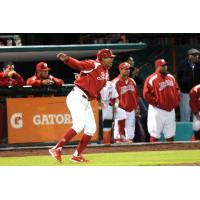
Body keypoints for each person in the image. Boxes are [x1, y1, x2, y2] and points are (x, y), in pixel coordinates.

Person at [49, 48, 116, 162]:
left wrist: (98, 99)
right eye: (110, 57)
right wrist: (67, 59)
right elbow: (78, 64)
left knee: (91, 128)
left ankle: (76, 155)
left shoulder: (106, 72)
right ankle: (56, 148)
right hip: (77, 96)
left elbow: (97, 87)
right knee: (78, 125)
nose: (112, 59)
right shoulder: (93, 64)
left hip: (86, 100)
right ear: (103, 58)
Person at [143, 58, 180, 142]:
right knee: (154, 134)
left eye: (165, 65)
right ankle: (152, 153)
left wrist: (176, 102)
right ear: (157, 67)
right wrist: (157, 103)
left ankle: (171, 154)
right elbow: (146, 94)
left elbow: (177, 90)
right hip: (157, 110)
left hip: (170, 110)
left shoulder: (171, 77)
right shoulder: (151, 78)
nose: (165, 67)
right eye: (162, 66)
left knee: (170, 134)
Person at [112, 62, 139, 143]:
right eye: (126, 69)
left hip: (131, 110)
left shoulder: (132, 81)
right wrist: (115, 108)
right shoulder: (115, 82)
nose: (128, 71)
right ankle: (118, 151)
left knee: (130, 134)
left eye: (129, 69)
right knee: (118, 134)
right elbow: (112, 97)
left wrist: (136, 107)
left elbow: (136, 95)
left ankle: (130, 152)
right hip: (121, 110)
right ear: (120, 70)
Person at [0, 62, 25, 143]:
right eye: (10, 69)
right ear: (4, 69)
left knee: (6, 124)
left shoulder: (12, 79)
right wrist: (6, 80)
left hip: (7, 104)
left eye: (13, 69)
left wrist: (16, 74)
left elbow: (22, 84)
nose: (12, 71)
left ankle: (3, 140)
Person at [175, 48, 200, 122]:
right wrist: (178, 89)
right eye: (194, 55)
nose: (196, 57)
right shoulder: (183, 64)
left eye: (197, 55)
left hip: (198, 94)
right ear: (189, 56)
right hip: (185, 93)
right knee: (185, 113)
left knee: (198, 113)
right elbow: (176, 77)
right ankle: (185, 131)